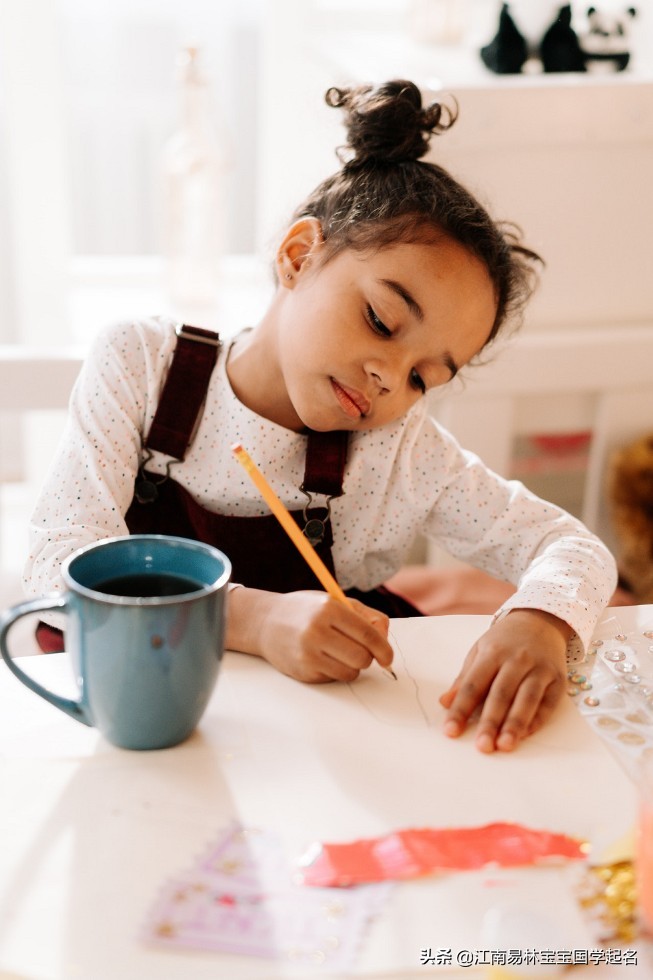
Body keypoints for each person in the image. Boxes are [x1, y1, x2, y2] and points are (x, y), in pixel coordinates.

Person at [24, 79, 617, 754]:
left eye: (424, 377)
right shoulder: (141, 365)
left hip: (319, 739)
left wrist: (539, 620)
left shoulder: (396, 450)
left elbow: (572, 550)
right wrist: (252, 618)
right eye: (382, 321)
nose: (389, 380)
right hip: (138, 719)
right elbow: (57, 561)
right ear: (299, 256)